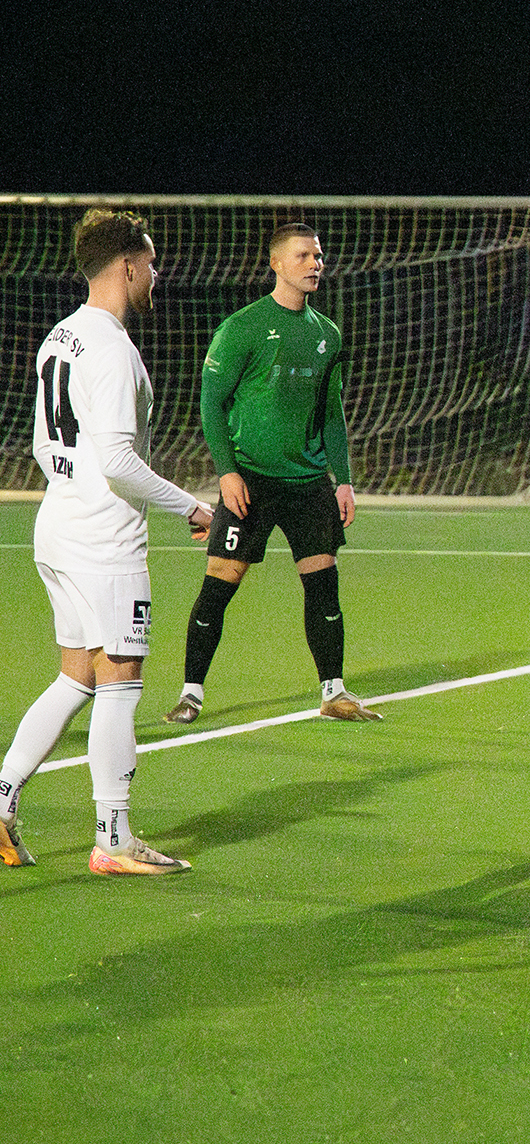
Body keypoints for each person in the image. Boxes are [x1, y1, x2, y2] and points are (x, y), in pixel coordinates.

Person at [1, 210, 214, 874]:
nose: (156, 273)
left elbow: (42, 443)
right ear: (126, 264)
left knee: (77, 677)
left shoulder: (59, 337)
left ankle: (0, 798)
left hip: (58, 527)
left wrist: (76, 487)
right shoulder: (116, 350)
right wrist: (190, 505)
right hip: (104, 539)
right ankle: (114, 838)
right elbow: (120, 463)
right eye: (150, 262)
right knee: (120, 681)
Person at [165, 223, 372, 725]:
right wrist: (227, 473)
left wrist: (342, 479)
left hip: (308, 484)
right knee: (221, 583)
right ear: (276, 263)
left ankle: (334, 692)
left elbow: (331, 414)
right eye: (303, 256)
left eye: (318, 256)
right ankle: (191, 693)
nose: (315, 264)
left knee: (323, 585)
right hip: (251, 480)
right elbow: (212, 405)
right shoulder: (244, 327)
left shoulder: (328, 334)